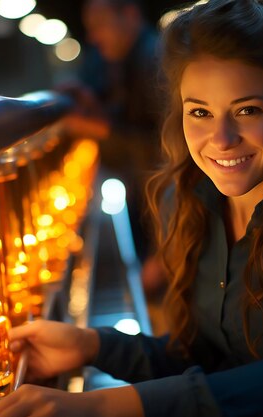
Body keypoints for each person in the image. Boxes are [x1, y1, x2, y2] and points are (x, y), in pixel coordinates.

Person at [0, 0, 263, 416]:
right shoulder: (193, 200)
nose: (221, 139)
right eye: (199, 111)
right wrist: (91, 345)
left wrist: (97, 407)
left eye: (248, 109)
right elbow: (207, 360)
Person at [58, 0, 162, 263]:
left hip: (169, 231)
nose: (93, 37)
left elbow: (169, 153)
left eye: (99, 26)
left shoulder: (157, 62)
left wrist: (102, 130)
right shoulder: (126, 63)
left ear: (130, 14)